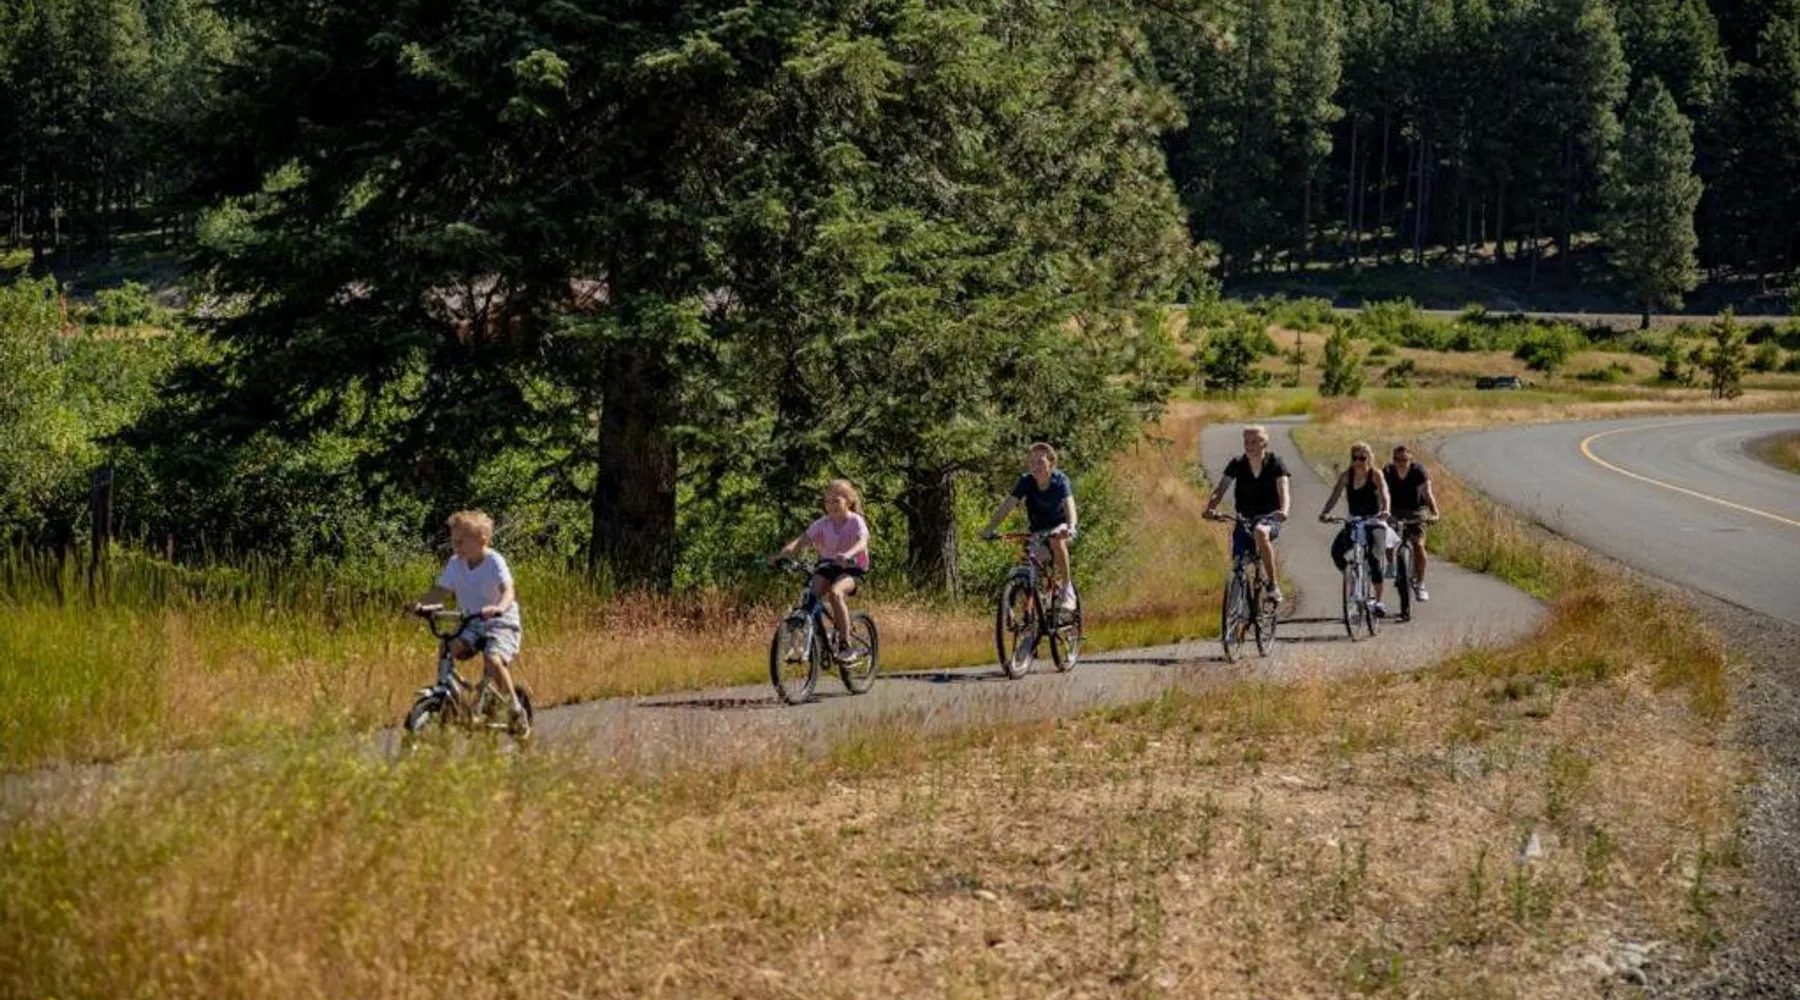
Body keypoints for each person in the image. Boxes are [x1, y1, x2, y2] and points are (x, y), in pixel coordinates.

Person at [407, 510, 526, 724]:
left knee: (493, 659)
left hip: (500, 621)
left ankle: (515, 707)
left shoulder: (494, 561)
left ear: (482, 540)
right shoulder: (455, 563)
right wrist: (420, 605)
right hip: (472, 622)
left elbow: (508, 590)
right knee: (447, 647)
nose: (456, 546)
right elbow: (440, 591)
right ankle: (450, 700)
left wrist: (499, 607)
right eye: (454, 541)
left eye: (461, 541)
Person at [769, 479, 870, 663]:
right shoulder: (822, 523)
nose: (831, 505)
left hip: (852, 569)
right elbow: (801, 542)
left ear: (848, 501)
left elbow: (862, 542)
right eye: (827, 501)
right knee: (810, 595)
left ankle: (846, 645)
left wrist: (848, 554)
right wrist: (780, 556)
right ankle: (807, 643)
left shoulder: (856, 521)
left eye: (836, 501)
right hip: (828, 566)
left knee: (835, 593)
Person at [980, 442, 1079, 611]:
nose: (1035, 467)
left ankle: (1067, 590)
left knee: (1056, 540)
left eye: (1040, 462)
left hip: (1060, 528)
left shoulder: (1060, 481)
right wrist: (989, 528)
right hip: (1038, 532)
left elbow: (1070, 505)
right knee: (1030, 561)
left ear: (1051, 463)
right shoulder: (1026, 481)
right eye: (1032, 462)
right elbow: (1008, 505)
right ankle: (1036, 605)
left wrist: (1071, 527)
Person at [1203, 425, 1291, 605]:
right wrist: (1210, 508)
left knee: (1260, 531)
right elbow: (1220, 489)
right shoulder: (1237, 463)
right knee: (1238, 562)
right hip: (1244, 518)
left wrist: (1284, 510)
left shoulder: (1275, 463)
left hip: (1270, 517)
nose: (1250, 446)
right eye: (1247, 442)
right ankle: (1238, 608)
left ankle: (1273, 585)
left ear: (1264, 443)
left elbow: (1284, 490)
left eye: (1254, 441)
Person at [1319, 441, 1392, 616]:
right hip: (1354, 521)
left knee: (1374, 558)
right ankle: (1351, 576)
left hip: (1373, 520)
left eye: (1362, 457)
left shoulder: (1375, 474)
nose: (1358, 461)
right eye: (1355, 457)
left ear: (1369, 458)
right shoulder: (1347, 476)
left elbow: (1385, 494)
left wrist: (1386, 510)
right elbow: (1335, 495)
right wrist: (1325, 512)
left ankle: (1378, 601)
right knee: (1337, 552)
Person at [1383, 443, 1441, 601]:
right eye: (1397, 459)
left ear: (1411, 459)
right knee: (1387, 533)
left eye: (1404, 459)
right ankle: (1390, 564)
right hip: (1394, 508)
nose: (1400, 463)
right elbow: (1383, 493)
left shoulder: (1418, 471)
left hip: (1416, 509)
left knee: (1418, 544)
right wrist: (1383, 512)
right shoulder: (1388, 471)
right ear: (1393, 460)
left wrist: (1435, 513)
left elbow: (1427, 493)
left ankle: (1421, 583)